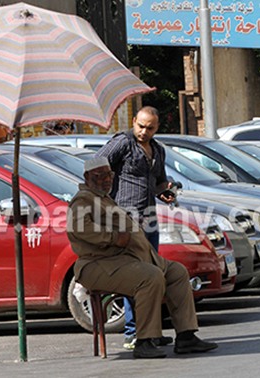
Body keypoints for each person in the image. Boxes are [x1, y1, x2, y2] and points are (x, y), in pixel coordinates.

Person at [67, 157, 218, 359]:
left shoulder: (103, 197)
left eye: (109, 175)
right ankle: (144, 340)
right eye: (99, 176)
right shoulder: (83, 199)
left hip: (125, 260)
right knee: (150, 277)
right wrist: (112, 237)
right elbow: (78, 228)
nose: (105, 180)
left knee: (177, 272)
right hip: (99, 264)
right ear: (87, 177)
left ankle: (186, 335)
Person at [95, 106, 175, 349]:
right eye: (140, 126)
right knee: (135, 275)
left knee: (154, 275)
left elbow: (159, 182)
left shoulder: (158, 150)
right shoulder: (123, 142)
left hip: (148, 219)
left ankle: (150, 331)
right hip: (126, 220)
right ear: (134, 122)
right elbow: (96, 165)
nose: (143, 131)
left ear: (156, 128)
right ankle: (133, 332)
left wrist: (166, 192)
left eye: (149, 128)